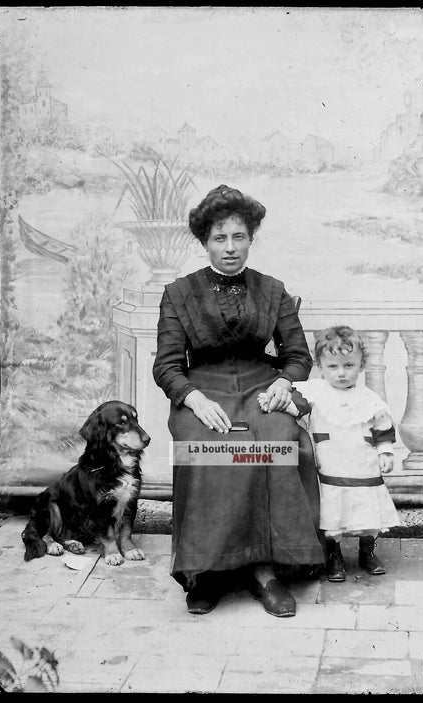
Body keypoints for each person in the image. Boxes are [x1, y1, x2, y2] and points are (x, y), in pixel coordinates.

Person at [152, 184, 323, 618]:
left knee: (277, 435)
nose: (230, 248)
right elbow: (167, 366)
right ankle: (205, 572)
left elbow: (298, 355)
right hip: (203, 390)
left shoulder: (272, 290)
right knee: (206, 443)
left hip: (259, 386)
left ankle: (265, 569)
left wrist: (284, 384)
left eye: (239, 237)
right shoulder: (178, 293)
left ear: (251, 238)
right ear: (205, 242)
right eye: (220, 238)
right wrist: (192, 398)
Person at [261, 325, 400, 582]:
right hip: (331, 465)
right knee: (333, 512)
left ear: (361, 365)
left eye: (349, 366)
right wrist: (277, 402)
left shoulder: (368, 397)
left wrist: (386, 452)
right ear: (320, 366)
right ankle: (334, 554)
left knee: (367, 509)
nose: (341, 373)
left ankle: (367, 550)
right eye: (333, 367)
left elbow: (382, 427)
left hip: (363, 464)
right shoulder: (315, 392)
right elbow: (296, 407)